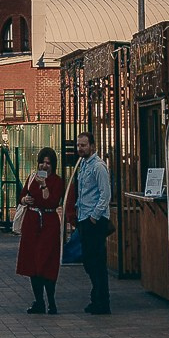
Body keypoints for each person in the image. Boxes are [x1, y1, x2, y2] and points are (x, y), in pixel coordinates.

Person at [16, 149, 67, 314]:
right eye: (42, 162)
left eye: (48, 163)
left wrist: (44, 185)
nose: (44, 166)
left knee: (47, 262)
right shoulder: (32, 178)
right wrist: (25, 199)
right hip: (32, 223)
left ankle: (51, 301)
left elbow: (52, 201)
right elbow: (22, 195)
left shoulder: (57, 181)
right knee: (32, 263)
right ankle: (39, 301)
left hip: (48, 224)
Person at [72, 134, 113, 317]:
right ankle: (96, 297)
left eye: (84, 145)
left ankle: (102, 301)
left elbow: (105, 194)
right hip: (84, 217)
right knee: (89, 261)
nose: (80, 148)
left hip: (93, 220)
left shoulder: (98, 167)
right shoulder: (82, 166)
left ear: (92, 146)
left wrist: (95, 217)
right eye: (78, 145)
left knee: (97, 262)